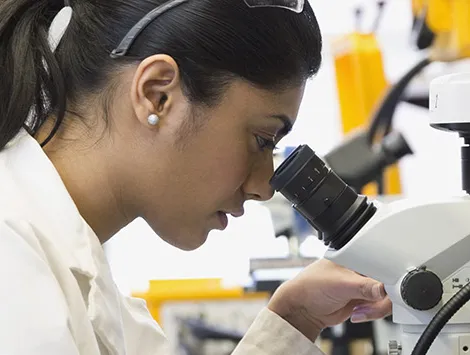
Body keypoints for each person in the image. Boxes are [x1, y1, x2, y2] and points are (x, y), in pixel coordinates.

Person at [0, 0, 392, 354]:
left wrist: (296, 319)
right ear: (157, 95)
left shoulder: (80, 280)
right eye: (261, 139)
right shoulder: (12, 260)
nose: (261, 187)